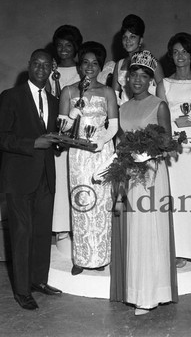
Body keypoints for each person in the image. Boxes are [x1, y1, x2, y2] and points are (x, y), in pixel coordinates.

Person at [0, 49, 63, 310]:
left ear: (52, 68)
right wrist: (33, 142)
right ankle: (22, 291)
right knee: (22, 234)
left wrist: (60, 143)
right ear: (29, 65)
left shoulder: (55, 101)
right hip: (18, 178)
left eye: (46, 65)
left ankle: (38, 281)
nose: (41, 69)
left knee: (42, 233)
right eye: (37, 64)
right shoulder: (11, 97)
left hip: (45, 176)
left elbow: (53, 137)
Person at [110, 50, 178, 316]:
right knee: (134, 233)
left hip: (151, 175)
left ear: (151, 79)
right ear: (126, 79)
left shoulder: (159, 105)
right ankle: (135, 290)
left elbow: (170, 147)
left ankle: (149, 296)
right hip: (128, 175)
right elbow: (119, 143)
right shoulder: (123, 108)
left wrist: (147, 154)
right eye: (133, 75)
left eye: (143, 76)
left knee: (148, 233)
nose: (137, 80)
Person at [59, 41, 118, 275]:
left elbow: (114, 125)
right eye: (85, 62)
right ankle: (81, 257)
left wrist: (102, 141)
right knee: (81, 201)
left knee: (102, 203)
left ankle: (102, 256)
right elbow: (62, 128)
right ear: (79, 65)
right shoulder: (69, 91)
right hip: (78, 155)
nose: (90, 67)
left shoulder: (107, 91)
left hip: (101, 152)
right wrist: (73, 114)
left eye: (95, 63)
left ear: (100, 66)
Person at [156, 32, 191, 268]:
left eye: (184, 51)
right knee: (177, 197)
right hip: (174, 148)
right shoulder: (163, 84)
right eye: (175, 52)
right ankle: (178, 250)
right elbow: (160, 120)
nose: (180, 56)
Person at [49, 25, 83, 244]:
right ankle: (62, 226)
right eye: (59, 45)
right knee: (60, 179)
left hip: (80, 132)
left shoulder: (82, 71)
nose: (63, 49)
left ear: (76, 47)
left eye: (68, 45)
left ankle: (78, 223)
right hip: (59, 131)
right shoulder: (50, 70)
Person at [111, 14, 164, 105]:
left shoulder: (153, 63)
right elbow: (113, 97)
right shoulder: (119, 64)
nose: (128, 41)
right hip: (125, 112)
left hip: (147, 111)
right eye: (125, 37)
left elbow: (163, 93)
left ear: (141, 40)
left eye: (132, 37)